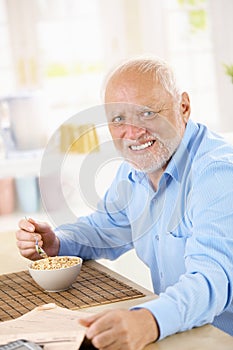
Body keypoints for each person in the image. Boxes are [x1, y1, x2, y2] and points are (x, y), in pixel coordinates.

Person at [16, 56, 233, 350]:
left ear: (183, 106)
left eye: (147, 113)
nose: (132, 133)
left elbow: (213, 280)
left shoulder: (218, 174)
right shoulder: (136, 170)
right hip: (181, 333)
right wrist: (57, 243)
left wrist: (147, 321)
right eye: (119, 119)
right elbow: (106, 228)